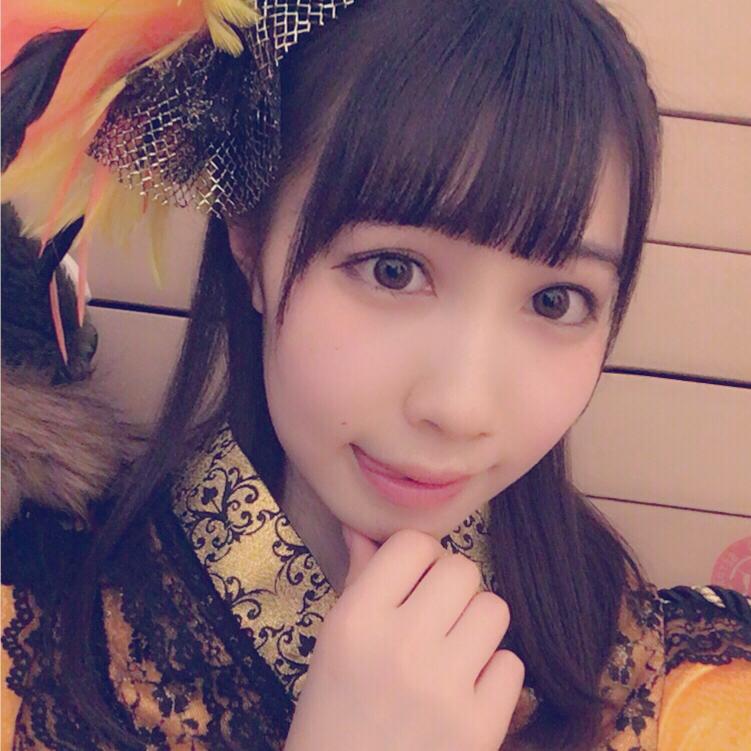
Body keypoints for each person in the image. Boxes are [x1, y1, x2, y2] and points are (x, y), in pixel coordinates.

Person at [1, 1, 750, 749]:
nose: (459, 407)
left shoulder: (688, 695)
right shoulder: (36, 660)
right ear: (251, 238)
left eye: (555, 301)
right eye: (393, 270)